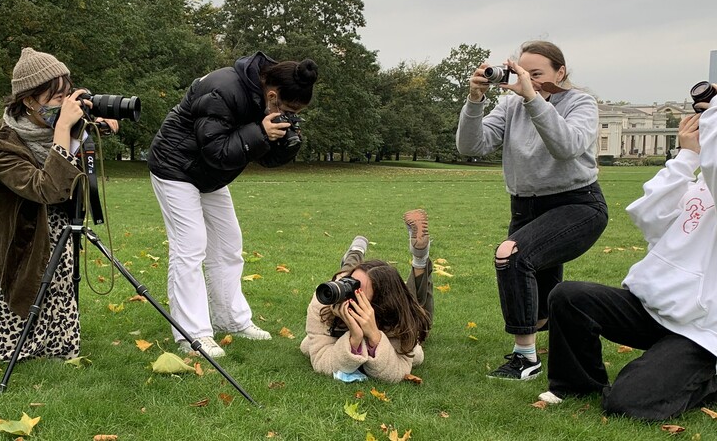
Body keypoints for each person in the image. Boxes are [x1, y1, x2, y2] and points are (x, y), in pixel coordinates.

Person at [538, 90, 717, 420]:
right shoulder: (702, 181)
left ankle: (710, 381)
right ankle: (577, 384)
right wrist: (687, 156)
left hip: (698, 328)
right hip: (651, 308)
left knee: (627, 404)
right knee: (569, 296)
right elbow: (649, 216)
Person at [0, 48, 116, 363]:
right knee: (9, 300)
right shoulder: (0, 145)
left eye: (66, 94)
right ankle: (1, 343)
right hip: (4, 231)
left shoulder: (53, 127)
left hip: (50, 225)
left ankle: (52, 344)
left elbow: (74, 152)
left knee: (54, 283)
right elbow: (44, 188)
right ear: (30, 100)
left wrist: (98, 123)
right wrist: (63, 130)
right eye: (55, 97)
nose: (63, 104)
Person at [455, 40, 608, 380]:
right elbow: (471, 146)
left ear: (561, 72)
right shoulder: (511, 107)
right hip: (526, 207)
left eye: (537, 73)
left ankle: (526, 359)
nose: (529, 80)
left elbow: (566, 146)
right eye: (523, 72)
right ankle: (560, 345)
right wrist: (475, 99)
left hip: (577, 203)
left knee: (511, 255)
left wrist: (533, 98)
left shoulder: (581, 102)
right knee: (542, 296)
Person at [148, 52, 318, 357]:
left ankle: (232, 320)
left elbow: (261, 157)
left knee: (229, 244)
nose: (290, 116)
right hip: (174, 167)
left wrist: (285, 143)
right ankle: (192, 335)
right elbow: (216, 149)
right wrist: (261, 132)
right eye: (289, 111)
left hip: (211, 176)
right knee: (190, 246)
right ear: (272, 95)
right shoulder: (222, 88)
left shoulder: (264, 103)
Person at [300, 210, 435, 383]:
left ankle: (420, 259)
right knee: (350, 274)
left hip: (394, 307)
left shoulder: (396, 317)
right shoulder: (326, 297)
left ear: (380, 306)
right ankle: (355, 252)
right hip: (355, 275)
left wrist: (374, 336)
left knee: (417, 313)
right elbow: (321, 361)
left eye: (358, 294)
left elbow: (396, 371)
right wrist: (354, 338)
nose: (346, 294)